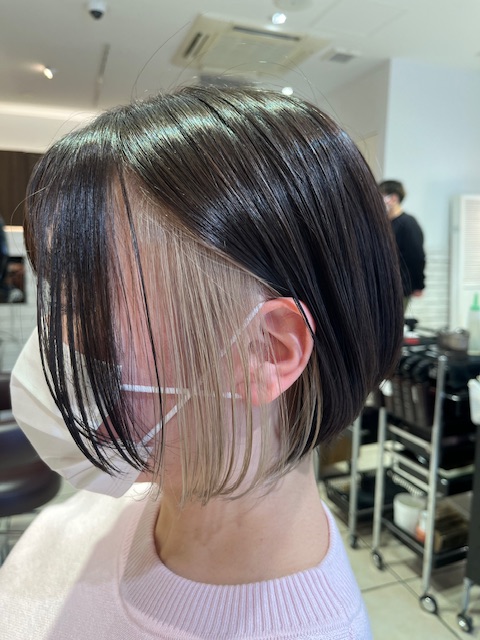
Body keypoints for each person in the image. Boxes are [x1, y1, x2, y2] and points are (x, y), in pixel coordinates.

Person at [0, 87, 403, 639]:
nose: (57, 340)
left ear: (268, 351)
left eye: (87, 304)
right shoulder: (100, 513)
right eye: (60, 298)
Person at [378, 180, 426, 308]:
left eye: (381, 196)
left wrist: (418, 285)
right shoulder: (384, 223)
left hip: (400, 288)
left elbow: (416, 257)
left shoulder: (408, 224)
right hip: (383, 287)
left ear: (393, 198)